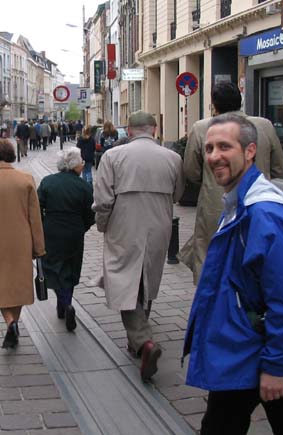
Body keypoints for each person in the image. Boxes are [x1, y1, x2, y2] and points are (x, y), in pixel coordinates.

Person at [182, 114, 283, 435]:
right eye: (209, 148)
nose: (214, 156)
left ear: (250, 151)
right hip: (241, 345)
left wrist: (277, 366)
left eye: (224, 147)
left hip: (252, 349)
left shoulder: (265, 214)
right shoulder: (238, 203)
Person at [93, 111, 185, 381]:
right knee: (148, 274)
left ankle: (143, 341)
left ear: (129, 131)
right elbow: (178, 193)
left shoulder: (113, 156)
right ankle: (138, 340)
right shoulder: (172, 158)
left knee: (124, 279)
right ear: (154, 130)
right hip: (159, 222)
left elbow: (103, 199)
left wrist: (103, 224)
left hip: (124, 221)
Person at [180, 82, 283, 284]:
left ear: (214, 105)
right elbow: (279, 167)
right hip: (258, 204)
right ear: (240, 100)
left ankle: (212, 297)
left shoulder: (202, 128)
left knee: (210, 255)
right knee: (255, 252)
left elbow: (191, 171)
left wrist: (211, 181)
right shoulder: (264, 125)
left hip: (215, 206)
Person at [0, 139, 46, 349]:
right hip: (21, 240)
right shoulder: (26, 179)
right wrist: (39, 247)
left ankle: (10, 322)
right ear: (11, 155)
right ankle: (14, 322)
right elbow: (35, 218)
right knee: (18, 285)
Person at [38, 148, 95, 331]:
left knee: (53, 268)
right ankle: (66, 304)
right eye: (81, 162)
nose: (83, 165)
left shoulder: (48, 182)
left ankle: (64, 303)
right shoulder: (84, 186)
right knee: (71, 269)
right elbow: (91, 214)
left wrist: (43, 224)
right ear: (75, 165)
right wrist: (82, 227)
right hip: (74, 232)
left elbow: (37, 207)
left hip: (52, 231)